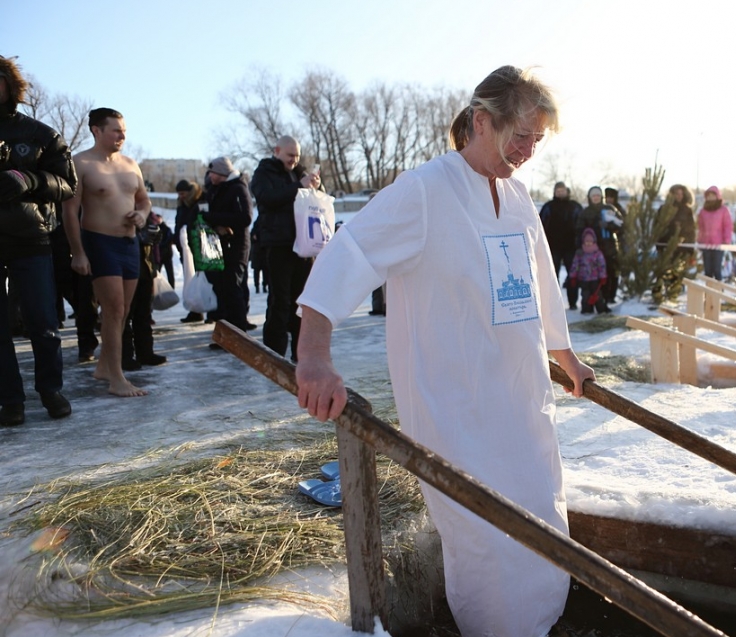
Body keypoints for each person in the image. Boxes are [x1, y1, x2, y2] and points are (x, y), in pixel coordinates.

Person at [295, 65, 594, 637]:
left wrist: (564, 355)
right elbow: (348, 255)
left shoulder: (518, 195)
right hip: (454, 401)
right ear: (482, 121)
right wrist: (314, 356)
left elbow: (541, 283)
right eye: (520, 137)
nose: (529, 151)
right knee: (484, 537)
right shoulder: (425, 190)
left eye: (537, 140)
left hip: (520, 392)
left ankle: (542, 626)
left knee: (542, 513)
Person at [0, 55, 76, 426]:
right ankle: (10, 400)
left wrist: (30, 181)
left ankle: (50, 390)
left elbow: (68, 185)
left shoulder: (40, 133)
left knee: (42, 321)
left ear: (9, 85)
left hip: (32, 238)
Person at [63, 107, 150, 397]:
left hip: (129, 244)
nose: (122, 135)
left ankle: (103, 366)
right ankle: (117, 378)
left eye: (124, 130)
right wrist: (78, 252)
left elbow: (144, 202)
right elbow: (70, 212)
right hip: (99, 242)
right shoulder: (81, 163)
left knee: (122, 310)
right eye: (115, 130)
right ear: (96, 130)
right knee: (112, 309)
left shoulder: (130, 164)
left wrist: (141, 215)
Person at [250, 136, 320, 361]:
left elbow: (317, 200)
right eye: (290, 155)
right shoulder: (263, 173)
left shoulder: (300, 172)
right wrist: (298, 187)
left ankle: (300, 353)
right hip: (278, 244)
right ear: (277, 151)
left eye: (297, 155)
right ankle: (274, 353)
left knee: (301, 301)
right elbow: (267, 198)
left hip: (303, 244)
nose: (294, 160)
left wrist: (317, 187)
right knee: (279, 299)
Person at [202, 156, 253, 332]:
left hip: (235, 247)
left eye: (213, 173)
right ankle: (225, 335)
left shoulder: (238, 188)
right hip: (218, 247)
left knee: (234, 290)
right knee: (222, 292)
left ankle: (238, 333)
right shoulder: (215, 189)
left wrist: (213, 218)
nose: (210, 177)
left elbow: (245, 217)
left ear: (222, 173)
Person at [120, 211, 167, 369]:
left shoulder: (145, 210)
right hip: (126, 267)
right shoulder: (120, 205)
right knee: (124, 314)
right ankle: (125, 356)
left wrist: (156, 235)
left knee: (143, 313)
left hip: (145, 267)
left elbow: (157, 233)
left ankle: (145, 352)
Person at [576, 185, 623, 303]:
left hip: (610, 247)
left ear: (601, 196)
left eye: (598, 195)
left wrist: (609, 226)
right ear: (589, 198)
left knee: (612, 273)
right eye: (593, 196)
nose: (596, 198)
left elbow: (621, 225)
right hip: (593, 250)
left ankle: (610, 297)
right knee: (595, 275)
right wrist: (579, 247)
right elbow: (579, 230)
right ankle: (597, 299)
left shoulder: (609, 209)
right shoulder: (585, 212)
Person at [539, 180, 581, 309]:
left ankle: (573, 302)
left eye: (562, 190)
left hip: (571, 247)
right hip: (553, 247)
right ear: (554, 192)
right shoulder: (548, 206)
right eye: (558, 191)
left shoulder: (575, 206)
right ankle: (553, 303)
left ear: (566, 191)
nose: (560, 193)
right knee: (552, 275)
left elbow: (582, 225)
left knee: (572, 275)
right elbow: (540, 224)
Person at [174, 179, 205, 323]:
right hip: (185, 247)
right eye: (179, 194)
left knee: (202, 280)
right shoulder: (182, 205)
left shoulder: (198, 202)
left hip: (197, 245)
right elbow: (179, 224)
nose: (181, 196)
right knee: (191, 280)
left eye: (183, 193)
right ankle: (195, 310)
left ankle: (205, 309)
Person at [697, 185, 733, 281]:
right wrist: (700, 240)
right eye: (709, 195)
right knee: (708, 271)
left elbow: (727, 226)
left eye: (713, 195)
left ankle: (718, 293)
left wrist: (726, 240)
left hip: (718, 244)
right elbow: (700, 227)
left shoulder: (723, 210)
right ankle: (709, 294)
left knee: (717, 270)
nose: (710, 197)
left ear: (717, 196)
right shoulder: (703, 211)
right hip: (706, 244)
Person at [570, 227, 609, 314]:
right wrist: (573, 276)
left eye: (590, 242)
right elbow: (575, 265)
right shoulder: (580, 253)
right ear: (583, 242)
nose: (588, 244)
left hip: (595, 278)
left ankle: (601, 309)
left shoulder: (597, 253)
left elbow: (602, 266)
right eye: (586, 242)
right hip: (583, 279)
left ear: (594, 241)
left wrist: (603, 276)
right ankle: (586, 309)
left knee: (597, 294)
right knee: (585, 294)